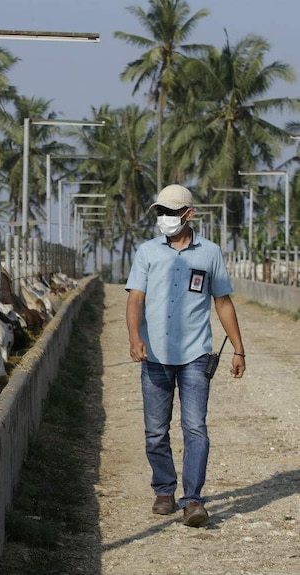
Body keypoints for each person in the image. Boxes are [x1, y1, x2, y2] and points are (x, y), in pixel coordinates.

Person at [125, 183, 246, 528]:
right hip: (155, 356)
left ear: (189, 214)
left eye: (170, 213)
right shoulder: (147, 252)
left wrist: (238, 348)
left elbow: (222, 301)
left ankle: (192, 499)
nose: (163, 219)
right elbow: (135, 299)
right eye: (159, 212)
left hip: (195, 355)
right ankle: (164, 490)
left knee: (195, 428)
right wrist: (135, 337)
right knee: (155, 430)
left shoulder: (209, 253)